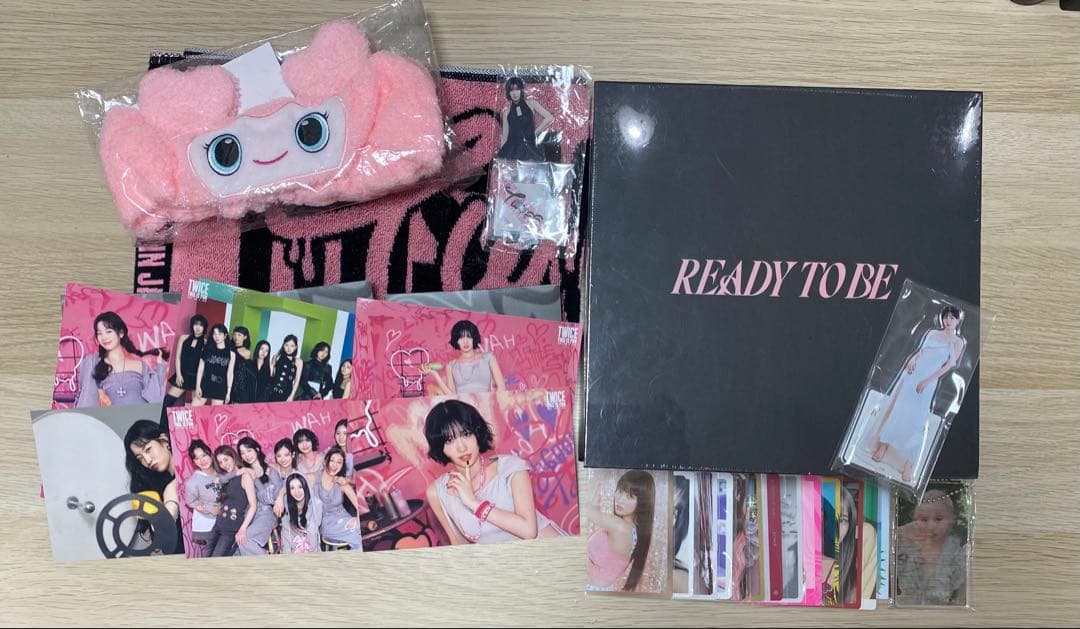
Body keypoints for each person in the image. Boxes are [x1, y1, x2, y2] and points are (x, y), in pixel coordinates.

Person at [423, 400, 564, 546]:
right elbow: (460, 545)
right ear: (440, 447)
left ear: (477, 433)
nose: (461, 448)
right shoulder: (437, 492)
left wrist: (474, 503)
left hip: (546, 548)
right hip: (504, 559)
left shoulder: (510, 468)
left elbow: (529, 531)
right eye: (449, 440)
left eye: (466, 434)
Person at [869, 305, 966, 482]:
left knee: (916, 418)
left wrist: (928, 381)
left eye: (952, 318)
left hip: (928, 379)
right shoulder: (932, 333)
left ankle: (909, 463)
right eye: (946, 317)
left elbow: (948, 365)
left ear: (958, 320)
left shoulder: (957, 342)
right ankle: (883, 446)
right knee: (898, 409)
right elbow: (921, 350)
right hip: (911, 373)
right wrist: (911, 360)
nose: (948, 320)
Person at [76, 312, 168, 408]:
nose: (104, 337)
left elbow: (156, 398)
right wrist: (100, 392)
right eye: (100, 334)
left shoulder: (140, 364)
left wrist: (160, 368)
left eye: (108, 331)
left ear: (121, 333)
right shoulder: (93, 364)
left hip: (141, 414)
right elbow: (86, 396)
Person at [583, 470, 655, 592]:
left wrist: (598, 479)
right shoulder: (632, 530)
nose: (620, 500)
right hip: (601, 590)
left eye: (630, 496)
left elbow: (587, 511)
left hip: (593, 590)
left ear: (642, 503)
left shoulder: (619, 526)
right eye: (620, 491)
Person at [895, 489, 968, 606]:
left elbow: (961, 598)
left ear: (951, 521)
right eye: (924, 520)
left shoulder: (958, 556)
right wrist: (902, 531)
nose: (931, 526)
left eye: (938, 519)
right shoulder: (906, 548)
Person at [122, 419, 182, 555]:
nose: (147, 460)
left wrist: (172, 492)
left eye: (148, 449)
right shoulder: (159, 490)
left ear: (164, 440)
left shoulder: (196, 469)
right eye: (140, 458)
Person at [420, 320, 506, 395]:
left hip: (486, 405)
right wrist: (434, 374)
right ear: (456, 340)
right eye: (461, 338)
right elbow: (452, 396)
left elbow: (501, 387)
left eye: (468, 337)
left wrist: (493, 405)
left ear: (474, 338)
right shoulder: (451, 365)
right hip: (462, 407)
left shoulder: (488, 358)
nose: (465, 341)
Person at [234, 437, 283, 556]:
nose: (247, 455)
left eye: (249, 450)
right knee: (236, 550)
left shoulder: (271, 470)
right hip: (251, 514)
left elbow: (270, 498)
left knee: (244, 540)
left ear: (257, 449)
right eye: (243, 453)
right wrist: (243, 471)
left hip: (268, 514)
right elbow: (226, 477)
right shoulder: (244, 472)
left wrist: (255, 479)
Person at [205, 445, 253, 558]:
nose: (224, 464)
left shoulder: (245, 476)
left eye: (226, 460)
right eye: (220, 462)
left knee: (216, 560)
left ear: (233, 456)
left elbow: (253, 506)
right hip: (217, 525)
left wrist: (242, 529)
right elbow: (211, 488)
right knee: (206, 558)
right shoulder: (225, 478)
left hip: (231, 530)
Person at [316, 447, 364, 550]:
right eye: (332, 460)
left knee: (359, 532)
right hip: (327, 523)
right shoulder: (314, 478)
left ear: (342, 466)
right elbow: (292, 480)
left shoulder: (341, 482)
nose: (334, 465)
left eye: (339, 462)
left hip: (346, 518)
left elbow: (359, 505)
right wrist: (280, 496)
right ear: (325, 461)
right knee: (357, 534)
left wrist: (357, 518)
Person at [496, 76, 554, 162]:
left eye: (517, 89)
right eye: (511, 90)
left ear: (521, 90)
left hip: (528, 148)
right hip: (510, 150)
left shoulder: (531, 103)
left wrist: (535, 132)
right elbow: (505, 136)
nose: (514, 93)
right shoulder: (506, 113)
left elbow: (549, 117)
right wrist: (501, 156)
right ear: (508, 92)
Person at [183, 439, 222, 551]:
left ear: (210, 454)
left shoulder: (222, 472)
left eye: (204, 455)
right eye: (197, 458)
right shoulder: (193, 482)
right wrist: (210, 509)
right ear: (194, 462)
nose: (202, 460)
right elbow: (190, 502)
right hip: (208, 525)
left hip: (226, 520)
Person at [164, 314, 207, 407]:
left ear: (204, 327)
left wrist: (199, 384)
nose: (198, 328)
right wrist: (178, 374)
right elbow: (178, 357)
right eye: (196, 324)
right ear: (192, 325)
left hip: (197, 378)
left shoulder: (206, 342)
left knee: (194, 408)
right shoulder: (183, 338)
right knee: (167, 402)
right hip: (183, 375)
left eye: (201, 325)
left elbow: (204, 364)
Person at [280, 473, 323, 554]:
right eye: (292, 488)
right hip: (293, 548)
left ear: (305, 486)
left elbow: (313, 531)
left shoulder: (317, 505)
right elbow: (286, 534)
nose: (297, 492)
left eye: (300, 487)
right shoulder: (286, 507)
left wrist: (309, 553)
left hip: (312, 548)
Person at [193, 324, 234, 406]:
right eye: (214, 334)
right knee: (192, 410)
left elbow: (230, 374)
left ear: (225, 335)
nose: (217, 336)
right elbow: (200, 369)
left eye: (219, 334)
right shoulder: (206, 350)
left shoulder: (231, 354)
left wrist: (228, 392)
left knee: (215, 413)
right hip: (205, 384)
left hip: (220, 387)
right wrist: (197, 386)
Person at [268, 335, 303, 402]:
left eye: (292, 346)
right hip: (272, 391)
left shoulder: (298, 361)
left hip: (287, 393)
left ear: (296, 347)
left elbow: (297, 380)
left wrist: (291, 396)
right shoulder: (277, 357)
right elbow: (271, 375)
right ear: (283, 345)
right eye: (286, 345)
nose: (289, 348)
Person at [229, 326, 258, 404]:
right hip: (228, 380)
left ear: (245, 337)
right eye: (234, 334)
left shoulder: (246, 352)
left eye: (239, 335)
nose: (236, 337)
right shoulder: (228, 348)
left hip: (239, 385)